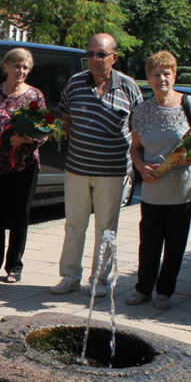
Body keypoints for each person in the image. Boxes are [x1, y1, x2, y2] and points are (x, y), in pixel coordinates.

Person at [51, 33, 142, 295]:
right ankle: (69, 276)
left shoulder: (128, 87)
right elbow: (66, 118)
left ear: (114, 57)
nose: (94, 59)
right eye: (89, 54)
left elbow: (138, 128)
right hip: (78, 167)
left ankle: (100, 280)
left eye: (100, 54)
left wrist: (134, 165)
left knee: (106, 228)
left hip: (112, 171)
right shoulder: (75, 83)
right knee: (74, 225)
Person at [126, 51, 191, 311]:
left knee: (175, 243)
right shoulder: (142, 110)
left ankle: (165, 291)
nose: (162, 78)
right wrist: (141, 168)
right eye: (156, 74)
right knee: (148, 242)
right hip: (152, 186)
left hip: (182, 187)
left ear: (174, 75)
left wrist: (181, 160)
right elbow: (135, 147)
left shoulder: (190, 105)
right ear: (148, 78)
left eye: (167, 73)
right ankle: (143, 289)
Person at [0, 47, 47, 283]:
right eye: (17, 66)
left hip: (24, 166)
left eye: (25, 67)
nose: (21, 71)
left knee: (19, 217)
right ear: (6, 66)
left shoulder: (35, 95)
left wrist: (26, 138)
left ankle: (14, 266)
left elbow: (45, 131)